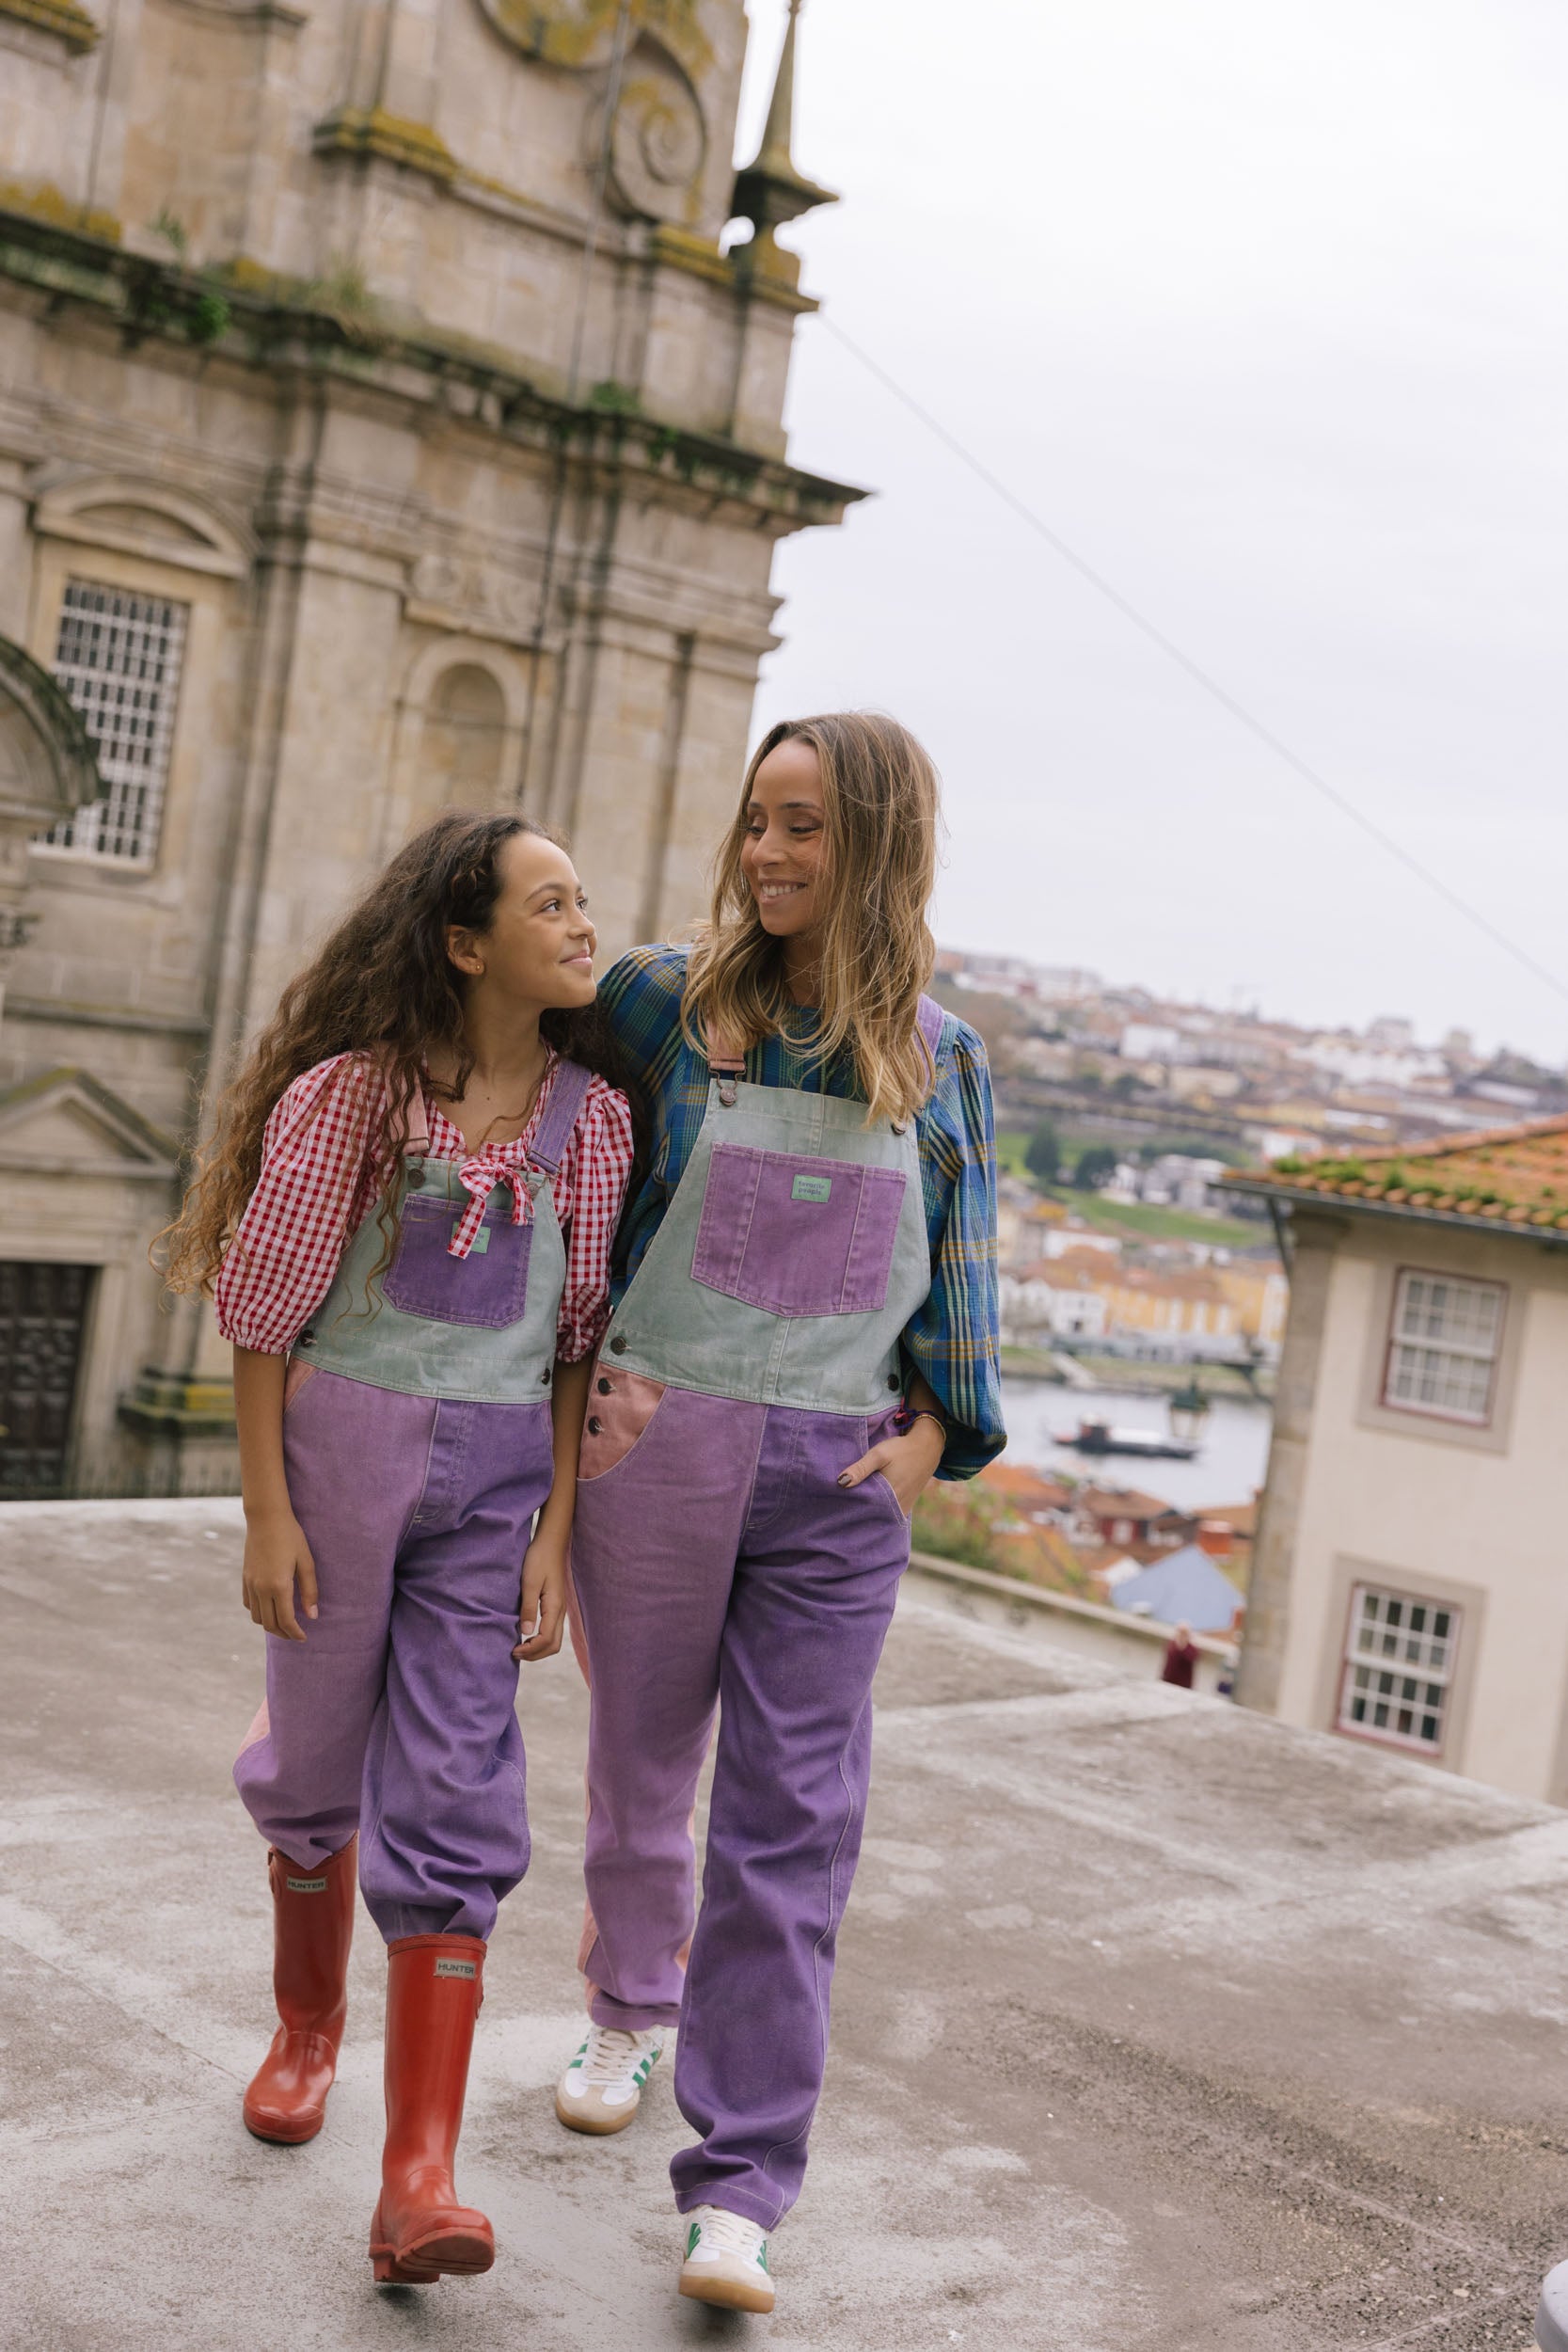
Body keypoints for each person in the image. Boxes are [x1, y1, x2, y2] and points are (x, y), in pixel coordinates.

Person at [554, 713, 1005, 2314]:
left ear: (876, 841)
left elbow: (965, 1264)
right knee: (640, 1765)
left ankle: (740, 2186)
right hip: (657, 1440)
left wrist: (934, 1434)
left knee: (792, 1826)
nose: (767, 852)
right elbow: (500, 1031)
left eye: (803, 824)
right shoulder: (664, 1003)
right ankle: (628, 2001)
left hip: (835, 1483)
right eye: (757, 819)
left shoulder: (941, 1059)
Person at [163, 812, 633, 2287]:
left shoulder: (592, 1126)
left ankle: (417, 2180)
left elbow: (574, 1344)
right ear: (463, 942)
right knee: (311, 1768)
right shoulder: (351, 1101)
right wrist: (268, 1513)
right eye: (547, 904)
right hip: (336, 1469)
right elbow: (262, 1312)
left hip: (493, 1492)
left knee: (457, 1791)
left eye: (582, 900)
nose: (581, 924)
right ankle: (307, 2030)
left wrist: (556, 1528)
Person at [1160, 1621, 1201, 1689]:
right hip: (1167, 1681)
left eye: (1184, 1633)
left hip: (1183, 1685)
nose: (1181, 1635)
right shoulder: (1171, 1644)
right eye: (1180, 1632)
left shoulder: (1192, 1649)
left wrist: (1183, 1646)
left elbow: (1192, 1658)